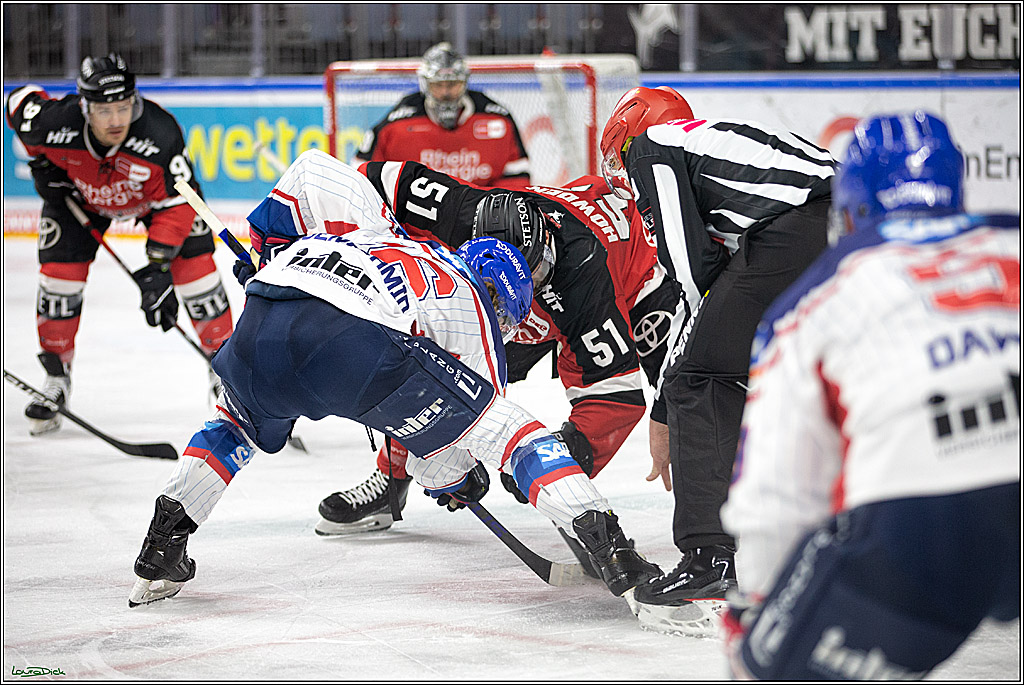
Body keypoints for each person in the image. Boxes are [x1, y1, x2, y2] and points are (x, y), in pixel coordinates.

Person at [127, 156, 661, 607]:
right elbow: (453, 438)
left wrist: (271, 249)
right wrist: (455, 478)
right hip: (350, 349)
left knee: (235, 427)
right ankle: (610, 542)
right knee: (513, 432)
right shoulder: (474, 309)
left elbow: (312, 170)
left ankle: (163, 541)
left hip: (267, 309)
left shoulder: (379, 235)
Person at [720, 111, 1020, 679]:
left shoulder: (815, 297)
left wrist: (758, 613)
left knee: (762, 661)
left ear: (849, 208)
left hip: (920, 519)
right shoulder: (1012, 236)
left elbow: (776, 495)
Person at [307, 157, 680, 557]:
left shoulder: (583, 280)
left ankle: (594, 513)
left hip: (639, 277)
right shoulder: (462, 210)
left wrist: (564, 459)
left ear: (546, 245)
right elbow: (371, 180)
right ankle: (392, 477)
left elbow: (615, 396)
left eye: (533, 273)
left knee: (679, 397)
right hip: (535, 295)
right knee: (424, 362)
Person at [598, 86, 836, 634]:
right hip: (847, 226)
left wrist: (672, 400)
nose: (621, 174)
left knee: (704, 381)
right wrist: (663, 408)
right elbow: (706, 301)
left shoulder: (654, 146)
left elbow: (690, 272)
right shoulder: (727, 164)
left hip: (802, 233)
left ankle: (710, 558)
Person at [4, 53, 233, 435]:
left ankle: (228, 372)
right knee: (59, 280)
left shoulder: (160, 133)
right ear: (84, 106)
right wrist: (41, 162)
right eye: (105, 110)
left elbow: (178, 206)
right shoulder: (57, 122)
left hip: (157, 204)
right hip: (81, 200)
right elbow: (17, 104)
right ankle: (57, 378)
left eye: (124, 107)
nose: (116, 120)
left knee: (196, 272)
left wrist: (158, 267)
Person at [352, 42, 531, 190]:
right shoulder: (397, 122)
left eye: (453, 84)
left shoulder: (497, 118)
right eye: (438, 85)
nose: (446, 93)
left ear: (464, 83)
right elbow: (361, 172)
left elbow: (517, 179)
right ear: (425, 85)